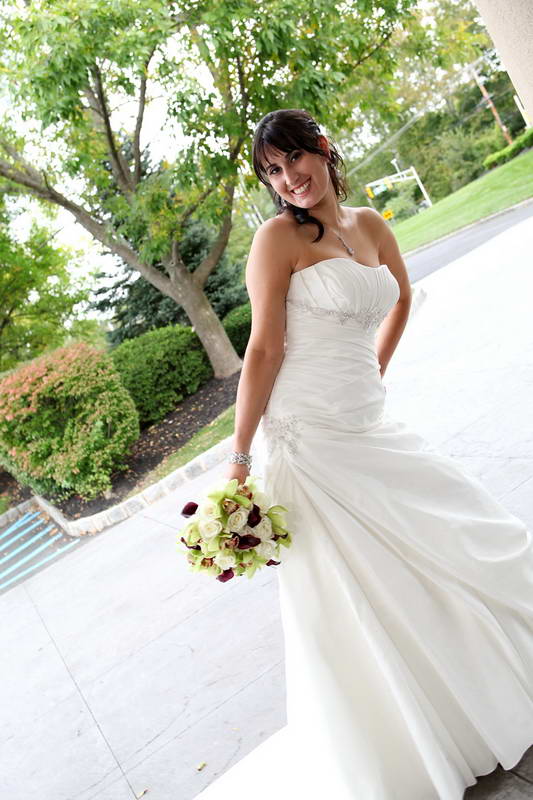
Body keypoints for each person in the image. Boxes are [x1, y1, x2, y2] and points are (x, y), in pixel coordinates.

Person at [196, 108, 533, 799]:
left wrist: (372, 370)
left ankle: (482, 687)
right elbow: (262, 348)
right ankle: (418, 732)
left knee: (452, 526)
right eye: (273, 171)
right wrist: (237, 457)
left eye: (296, 160)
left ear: (323, 149)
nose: (289, 179)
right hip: (306, 432)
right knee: (364, 586)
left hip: (362, 417)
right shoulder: (275, 239)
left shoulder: (371, 224)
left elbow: (402, 298)